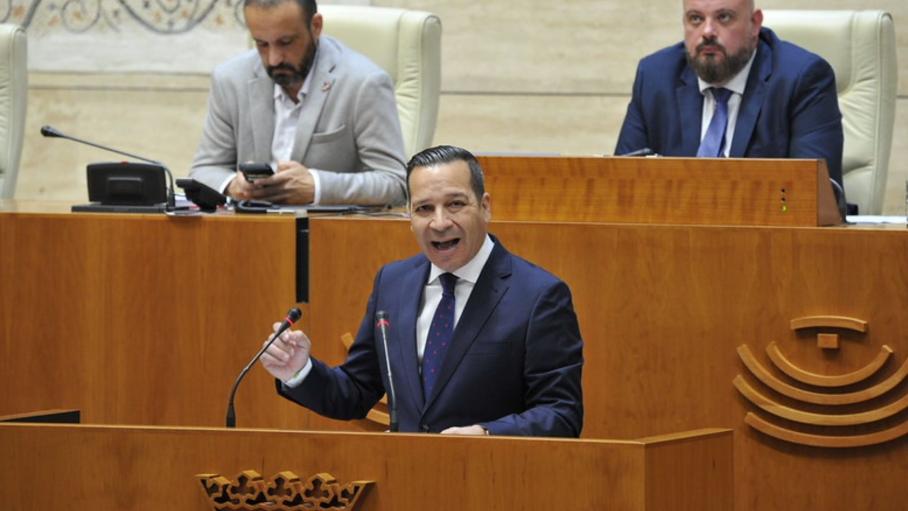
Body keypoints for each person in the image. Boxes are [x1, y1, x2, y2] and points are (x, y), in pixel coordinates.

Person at [260, 145, 584, 437]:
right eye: (425, 209)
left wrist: (486, 435)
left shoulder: (539, 295)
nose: (440, 222)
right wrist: (299, 372)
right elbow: (358, 392)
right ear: (409, 217)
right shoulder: (393, 282)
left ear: (485, 207)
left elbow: (561, 413)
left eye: (455, 204)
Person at [614, 0, 846, 201]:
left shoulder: (801, 79)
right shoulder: (656, 77)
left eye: (723, 17)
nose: (707, 32)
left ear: (755, 24)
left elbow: (813, 197)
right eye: (695, 19)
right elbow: (620, 188)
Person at [189, 0, 407, 206]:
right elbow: (204, 170)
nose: (274, 59)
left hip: (331, 234)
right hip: (252, 232)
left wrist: (317, 186)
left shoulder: (364, 83)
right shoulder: (230, 79)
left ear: (316, 26)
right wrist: (233, 186)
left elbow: (395, 184)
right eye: (262, 44)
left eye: (285, 42)